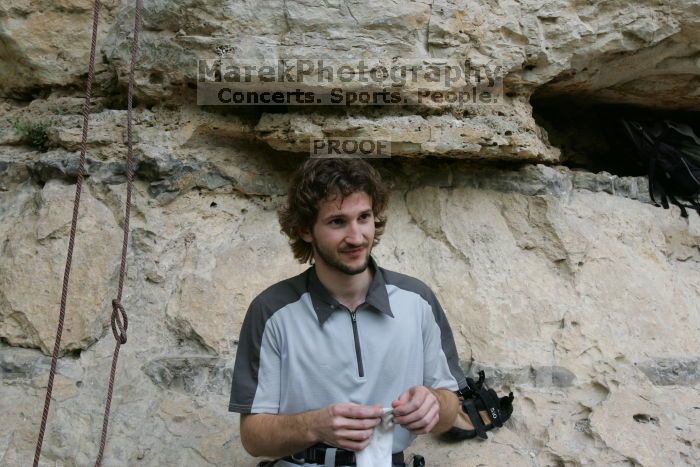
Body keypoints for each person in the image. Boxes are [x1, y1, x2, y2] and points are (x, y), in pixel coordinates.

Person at [229, 158, 468, 466]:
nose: (356, 237)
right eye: (337, 222)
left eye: (364, 217)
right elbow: (252, 437)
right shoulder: (271, 310)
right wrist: (314, 425)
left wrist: (434, 404)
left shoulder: (417, 300)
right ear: (304, 230)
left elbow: (450, 407)